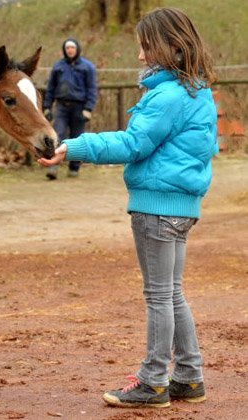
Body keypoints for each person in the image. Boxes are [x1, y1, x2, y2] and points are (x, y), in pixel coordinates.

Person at [38, 7, 217, 408]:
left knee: (159, 296)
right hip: (183, 208)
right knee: (172, 294)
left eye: (145, 47)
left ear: (170, 46)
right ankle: (189, 376)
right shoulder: (197, 91)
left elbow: (132, 144)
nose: (140, 56)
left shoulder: (167, 96)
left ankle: (153, 381)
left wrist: (74, 147)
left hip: (156, 208)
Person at [43, 37, 97, 180]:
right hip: (61, 106)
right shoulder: (58, 66)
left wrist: (88, 108)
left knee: (77, 137)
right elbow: (50, 88)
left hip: (79, 107)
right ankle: (53, 166)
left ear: (77, 49)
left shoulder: (87, 67)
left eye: (72, 47)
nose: (70, 50)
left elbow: (92, 89)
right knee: (57, 135)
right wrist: (47, 106)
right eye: (67, 48)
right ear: (64, 50)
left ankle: (74, 167)